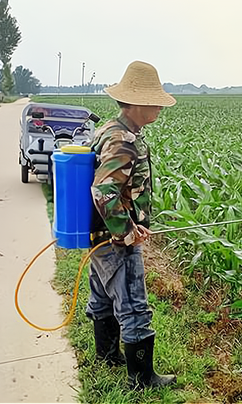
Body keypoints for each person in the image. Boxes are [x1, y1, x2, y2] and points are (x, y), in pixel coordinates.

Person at [86, 60, 177, 389]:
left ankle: (107, 355)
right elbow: (104, 190)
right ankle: (142, 379)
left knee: (102, 297)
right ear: (138, 103)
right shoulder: (123, 141)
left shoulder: (110, 130)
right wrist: (126, 232)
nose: (159, 107)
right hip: (113, 241)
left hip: (98, 236)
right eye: (154, 100)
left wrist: (132, 224)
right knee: (134, 306)